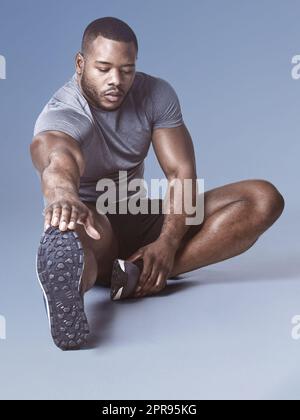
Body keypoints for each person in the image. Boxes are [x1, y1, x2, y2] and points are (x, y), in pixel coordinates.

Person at [30, 17, 285, 350]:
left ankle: (139, 271)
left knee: (263, 198)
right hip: (94, 222)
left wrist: (167, 241)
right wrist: (63, 196)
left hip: (138, 213)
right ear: (80, 64)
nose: (116, 81)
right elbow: (57, 161)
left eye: (126, 70)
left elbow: (180, 174)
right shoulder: (63, 113)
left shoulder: (155, 94)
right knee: (79, 240)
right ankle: (72, 289)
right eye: (103, 68)